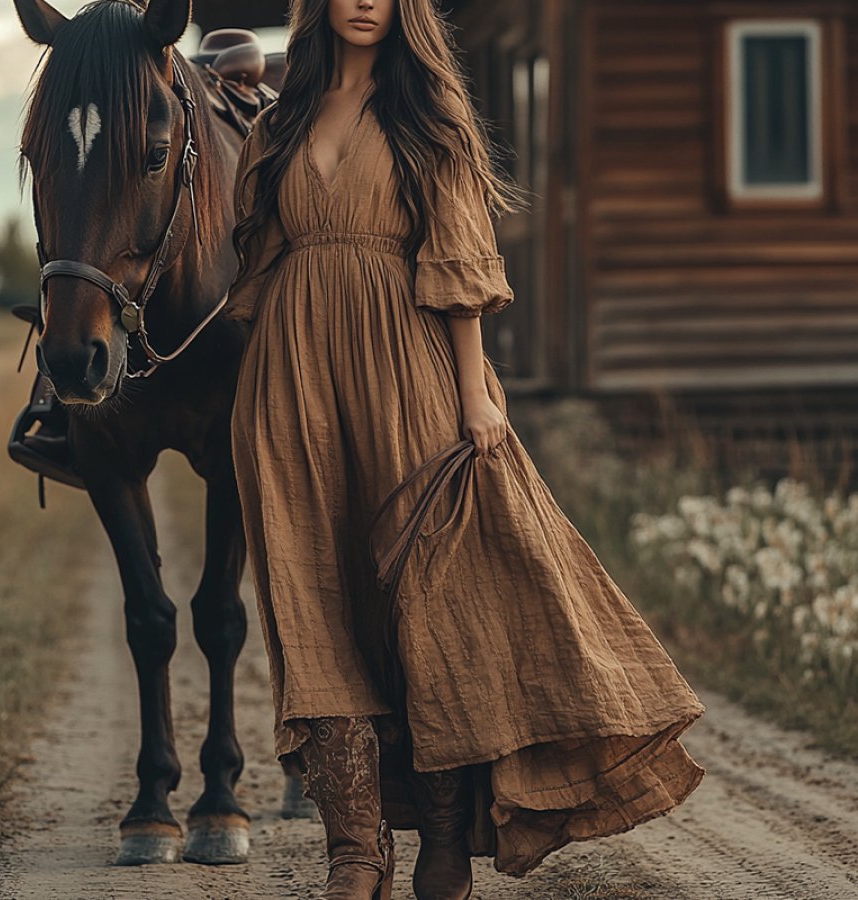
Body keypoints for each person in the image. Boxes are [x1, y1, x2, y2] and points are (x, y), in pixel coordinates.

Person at [225, 1, 707, 897]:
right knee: (310, 598)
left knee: (430, 603)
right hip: (290, 385)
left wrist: (474, 387)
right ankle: (355, 853)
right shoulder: (280, 120)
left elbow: (457, 259)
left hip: (404, 370)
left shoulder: (428, 116)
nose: (365, 1)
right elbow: (253, 265)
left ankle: (446, 840)